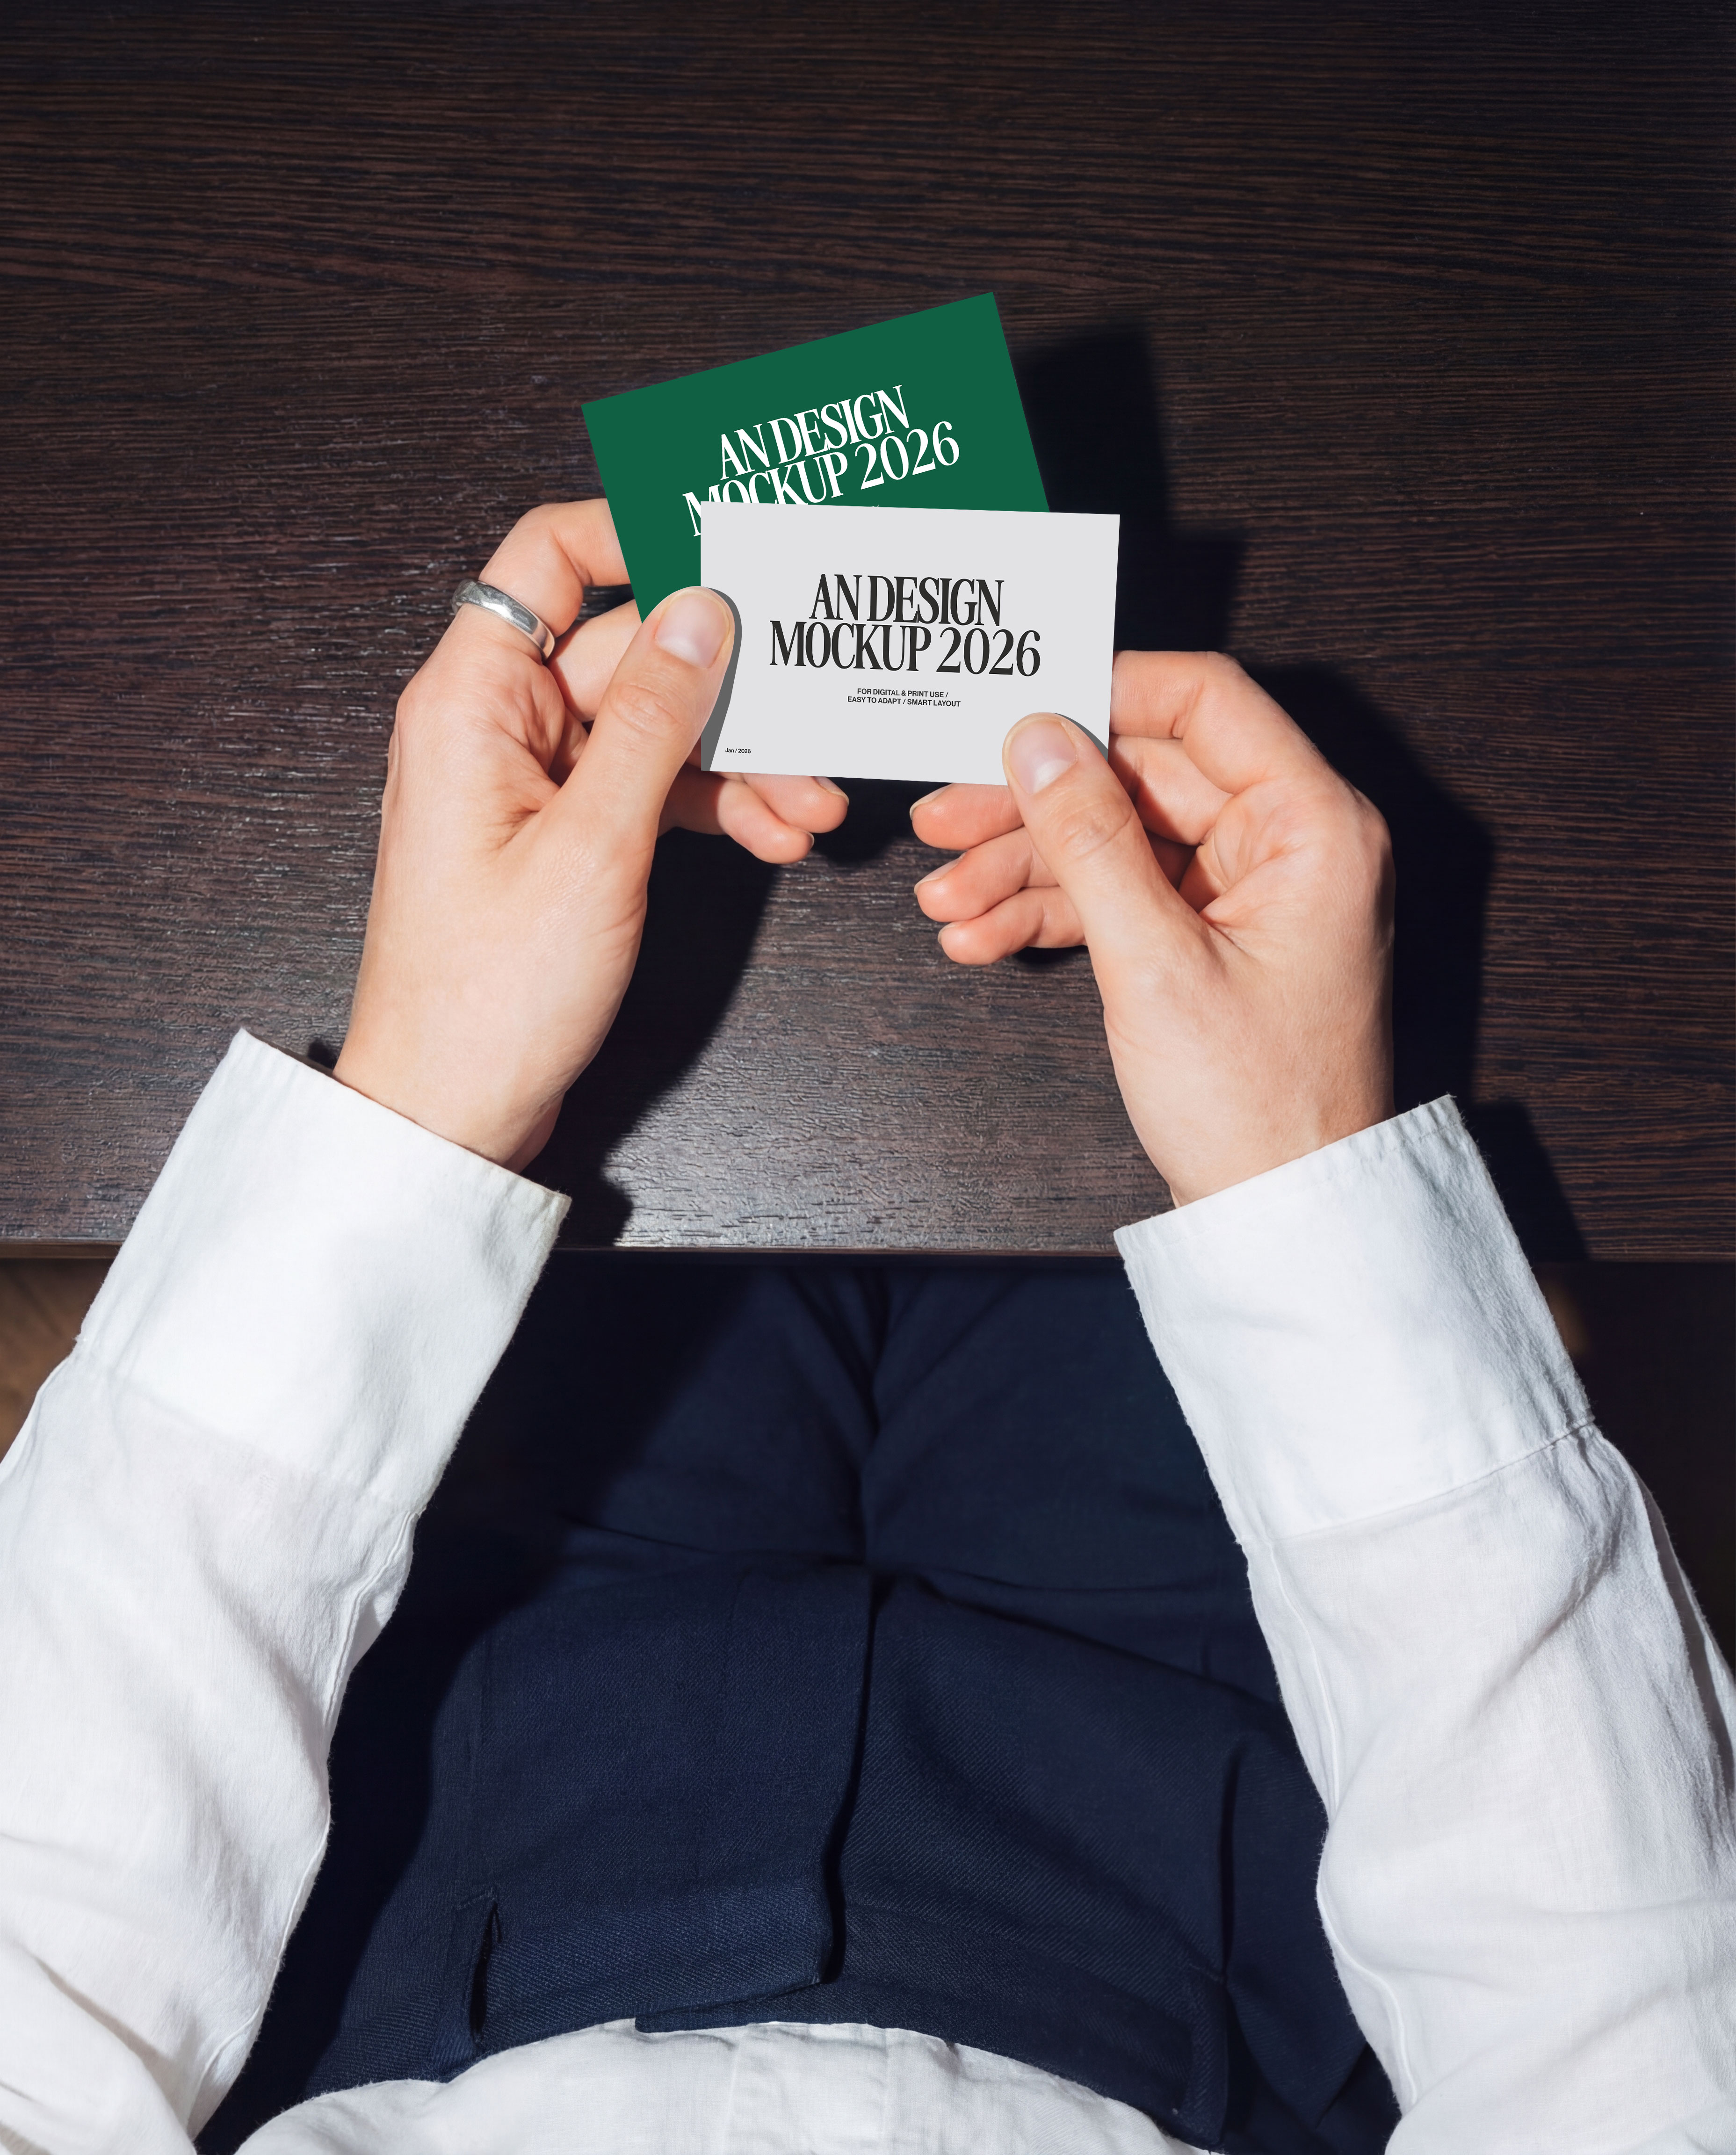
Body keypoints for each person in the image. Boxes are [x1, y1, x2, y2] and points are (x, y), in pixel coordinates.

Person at [0, 498, 1729, 2155]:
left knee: (762, 1026)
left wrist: (417, 1114)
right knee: (1055, 958)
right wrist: (1319, 1201)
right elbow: (1634, 2069)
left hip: (473, 1736)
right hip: (1214, 1810)